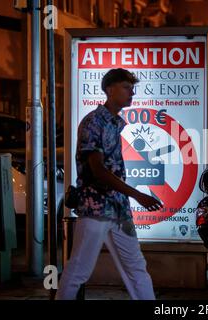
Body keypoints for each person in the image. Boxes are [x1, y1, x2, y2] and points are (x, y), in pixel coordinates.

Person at [56, 68, 163, 300]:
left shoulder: (115, 124)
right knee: (78, 270)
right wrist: (138, 195)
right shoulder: (94, 122)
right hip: (96, 208)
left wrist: (129, 197)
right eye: (126, 87)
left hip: (118, 208)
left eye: (131, 88)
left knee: (136, 267)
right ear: (109, 89)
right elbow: (98, 170)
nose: (131, 93)